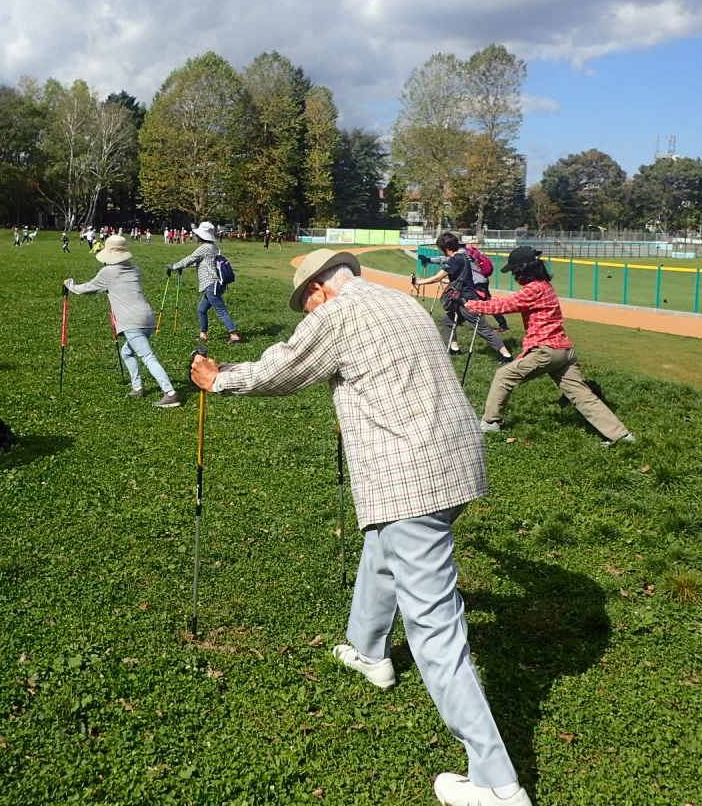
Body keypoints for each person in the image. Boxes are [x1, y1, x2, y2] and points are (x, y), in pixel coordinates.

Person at [190, 250, 530, 806]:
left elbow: (283, 369)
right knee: (381, 545)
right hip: (456, 460)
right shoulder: (400, 300)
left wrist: (220, 377)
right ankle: (369, 651)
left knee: (435, 626)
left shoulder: (337, 313)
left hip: (411, 475)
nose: (309, 312)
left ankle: (496, 783)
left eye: (307, 304)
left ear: (320, 291)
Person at [466, 246, 634, 447]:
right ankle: (622, 436)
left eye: (514, 271)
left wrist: (469, 304)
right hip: (564, 352)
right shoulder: (544, 285)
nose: (513, 275)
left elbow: (503, 306)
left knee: (504, 375)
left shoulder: (534, 289)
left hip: (547, 351)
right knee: (582, 395)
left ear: (523, 269)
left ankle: (490, 423)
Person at [64, 234, 182, 407]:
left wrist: (71, 285)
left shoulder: (108, 272)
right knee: (127, 352)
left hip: (132, 321)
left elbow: (87, 289)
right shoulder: (134, 269)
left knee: (148, 356)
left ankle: (170, 393)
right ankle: (137, 388)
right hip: (148, 317)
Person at [416, 233, 512, 363]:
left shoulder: (455, 260)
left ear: (445, 247)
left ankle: (506, 355)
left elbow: (438, 277)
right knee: (447, 321)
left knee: (483, 329)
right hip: (461, 300)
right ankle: (454, 348)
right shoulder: (462, 257)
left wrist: (418, 282)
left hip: (468, 301)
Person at [168, 221, 242, 343]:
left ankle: (234, 336)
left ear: (201, 236)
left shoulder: (204, 248)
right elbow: (203, 264)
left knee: (221, 311)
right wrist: (181, 267)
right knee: (201, 309)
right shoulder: (214, 248)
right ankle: (203, 335)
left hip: (211, 284)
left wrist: (175, 266)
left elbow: (190, 259)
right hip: (218, 284)